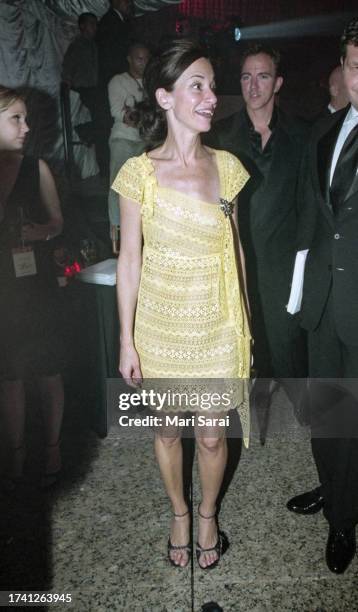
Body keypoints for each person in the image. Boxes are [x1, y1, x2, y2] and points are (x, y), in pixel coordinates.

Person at [112, 39, 251, 569]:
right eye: (199, 85)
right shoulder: (138, 174)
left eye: (213, 86)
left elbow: (236, 250)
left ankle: (209, 513)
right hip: (160, 326)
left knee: (213, 436)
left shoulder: (229, 168)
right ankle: (178, 512)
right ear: (165, 97)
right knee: (168, 428)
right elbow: (129, 260)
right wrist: (127, 340)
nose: (212, 96)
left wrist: (244, 327)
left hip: (216, 323)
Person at [286, 18, 358, 574]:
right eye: (357, 66)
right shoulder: (326, 133)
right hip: (323, 303)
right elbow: (314, 221)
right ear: (344, 70)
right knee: (327, 411)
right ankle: (333, 490)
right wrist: (298, 294)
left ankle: (343, 520)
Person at [205, 45, 308, 413]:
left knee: (287, 343)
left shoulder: (304, 137)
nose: (253, 85)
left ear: (277, 83)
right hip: (235, 256)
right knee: (241, 343)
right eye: (246, 76)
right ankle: (247, 406)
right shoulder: (217, 137)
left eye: (263, 76)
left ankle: (300, 408)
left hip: (283, 262)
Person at [0, 86, 65, 489]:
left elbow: (58, 222)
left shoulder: (36, 167)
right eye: (16, 119)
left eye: (26, 118)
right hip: (3, 287)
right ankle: (17, 452)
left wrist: (38, 232)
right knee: (9, 374)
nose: (26, 127)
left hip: (35, 282)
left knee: (48, 367)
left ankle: (54, 447)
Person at [108, 43, 150, 241]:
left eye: (146, 59)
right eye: (139, 58)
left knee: (144, 188)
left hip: (146, 142)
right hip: (123, 140)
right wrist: (144, 117)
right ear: (129, 59)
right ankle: (116, 233)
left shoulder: (152, 82)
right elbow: (120, 114)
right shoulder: (117, 82)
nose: (143, 63)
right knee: (118, 186)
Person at [97, 0, 135, 87]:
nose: (129, 4)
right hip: (114, 75)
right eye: (126, 1)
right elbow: (112, 53)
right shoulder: (110, 21)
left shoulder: (119, 20)